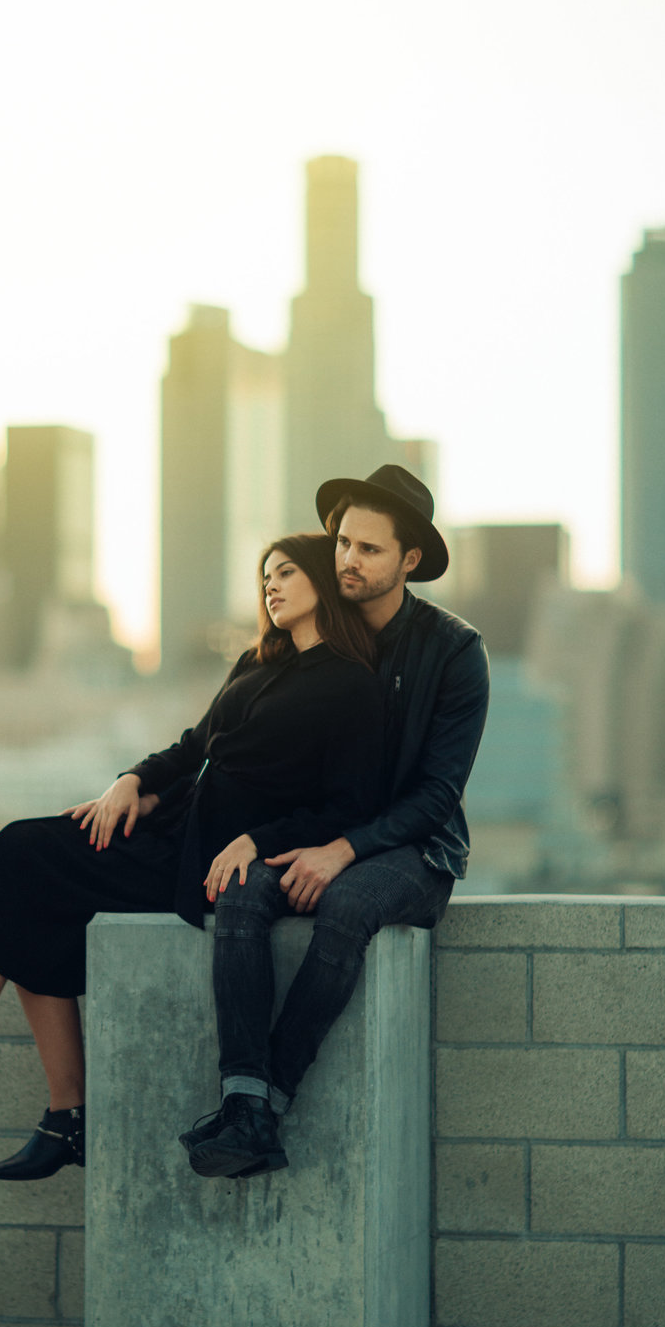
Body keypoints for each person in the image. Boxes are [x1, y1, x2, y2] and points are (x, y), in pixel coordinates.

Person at [0, 532, 383, 1182]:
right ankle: (31, 1092)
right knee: (23, 852)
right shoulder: (258, 662)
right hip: (172, 825)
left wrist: (261, 842)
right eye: (265, 577)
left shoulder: (352, 686)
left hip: (209, 860)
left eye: (285, 573)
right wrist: (129, 782)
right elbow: (195, 745)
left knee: (28, 872)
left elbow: (351, 804)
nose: (271, 586)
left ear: (322, 585)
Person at [181, 463, 489, 1180]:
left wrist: (344, 850)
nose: (349, 559)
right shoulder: (309, 638)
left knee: (346, 904)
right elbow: (222, 743)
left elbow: (437, 794)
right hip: (312, 832)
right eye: (343, 543)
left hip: (413, 851)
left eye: (370, 549)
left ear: (410, 561)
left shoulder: (452, 651)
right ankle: (243, 1099)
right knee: (245, 893)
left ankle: (268, 1104)